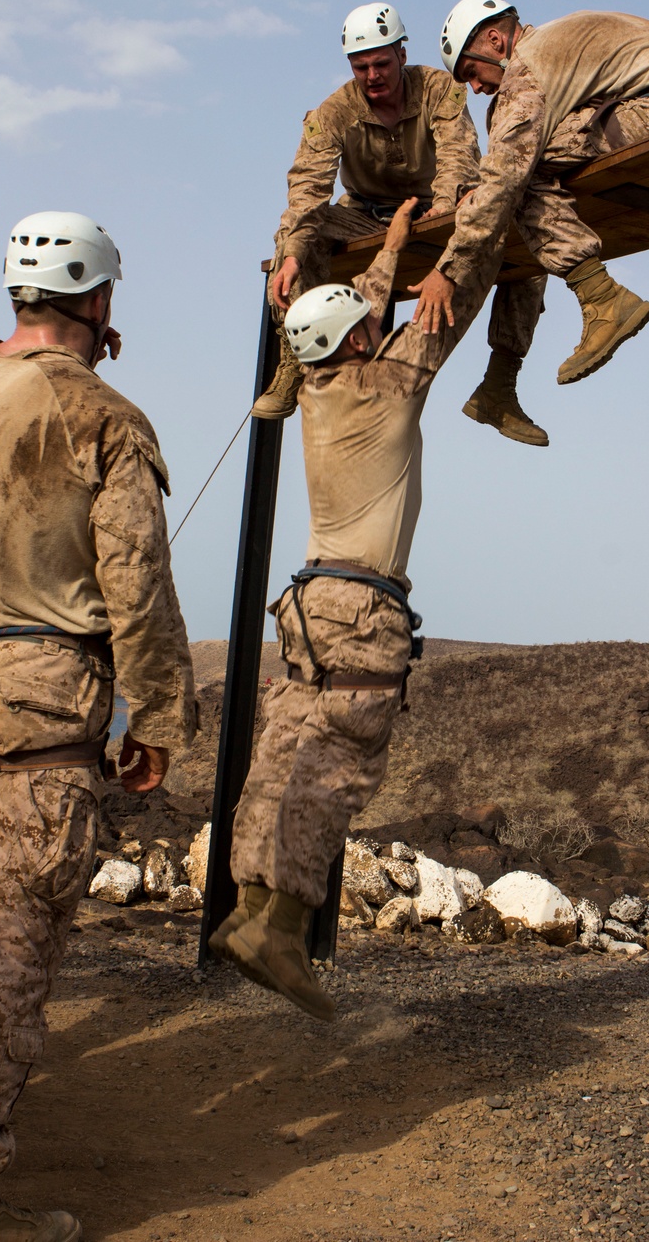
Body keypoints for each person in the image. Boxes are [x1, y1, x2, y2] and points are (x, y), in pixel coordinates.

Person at [0, 212, 195, 1242]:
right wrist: (159, 715)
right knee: (4, 952)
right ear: (101, 299)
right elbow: (136, 581)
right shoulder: (105, 417)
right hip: (38, 707)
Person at [211, 195, 511, 1019]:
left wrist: (398, 244)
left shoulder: (318, 385)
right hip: (361, 607)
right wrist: (467, 250)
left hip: (308, 600)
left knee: (278, 754)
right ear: (360, 341)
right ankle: (283, 928)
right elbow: (447, 312)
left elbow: (361, 312)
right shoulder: (387, 383)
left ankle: (245, 908)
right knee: (334, 764)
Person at [413, 0, 649, 417]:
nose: (475, 88)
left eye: (471, 72)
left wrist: (447, 269)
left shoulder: (527, 66)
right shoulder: (563, 43)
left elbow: (506, 174)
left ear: (494, 39)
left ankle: (601, 299)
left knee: (522, 169)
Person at [254, 0, 549, 446]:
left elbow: (458, 155)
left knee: (513, 227)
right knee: (294, 235)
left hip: (436, 211)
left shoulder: (436, 88)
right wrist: (293, 252)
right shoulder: (334, 111)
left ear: (401, 56)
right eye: (360, 67)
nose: (372, 76)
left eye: (380, 63)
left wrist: (444, 209)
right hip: (363, 217)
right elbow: (308, 187)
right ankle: (293, 362)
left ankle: (500, 383)